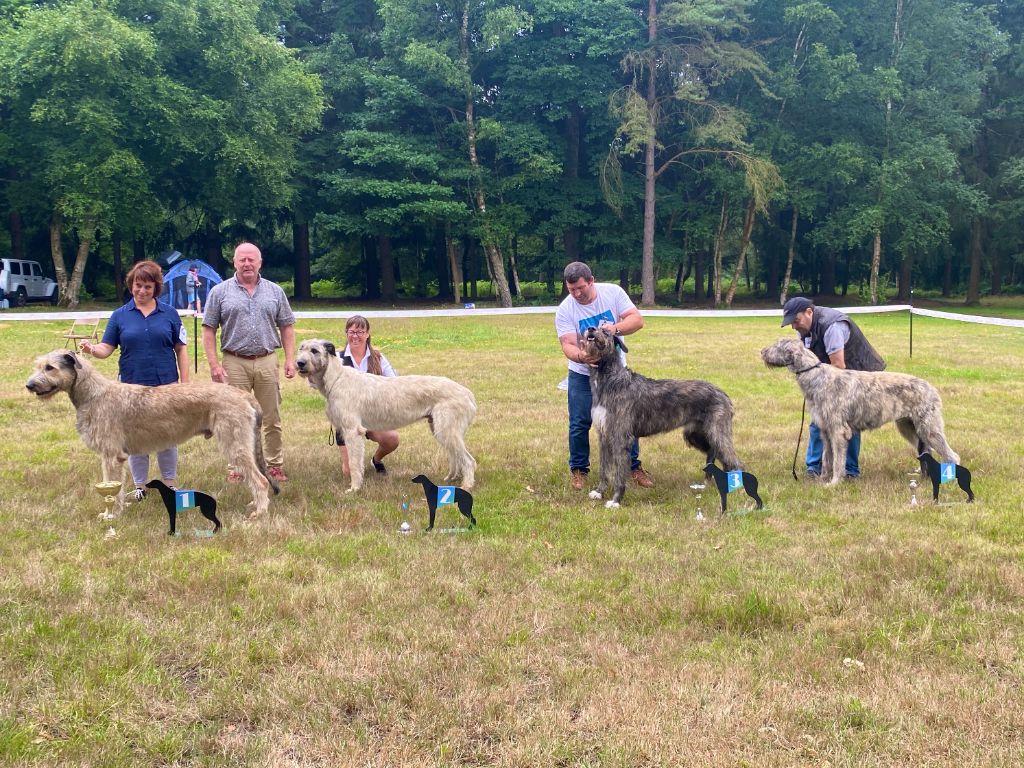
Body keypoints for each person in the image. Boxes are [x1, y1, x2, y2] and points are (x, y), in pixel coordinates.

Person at [81, 260, 188, 500]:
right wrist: (91, 349)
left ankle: (169, 484)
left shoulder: (170, 314)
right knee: (134, 438)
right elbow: (107, 349)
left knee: (167, 436)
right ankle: (141, 487)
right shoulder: (119, 316)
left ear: (156, 288)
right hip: (131, 388)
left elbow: (181, 349)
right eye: (138, 286)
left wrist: (186, 384)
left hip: (166, 386)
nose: (142, 291)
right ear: (131, 286)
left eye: (148, 287)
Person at [202, 242, 296, 483]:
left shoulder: (275, 291)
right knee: (235, 419)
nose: (247, 264)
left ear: (260, 262)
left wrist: (289, 358)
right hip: (234, 362)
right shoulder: (220, 292)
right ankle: (238, 466)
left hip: (266, 360)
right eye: (242, 259)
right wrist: (214, 364)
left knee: (271, 417)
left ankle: (275, 465)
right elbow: (209, 330)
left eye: (251, 259)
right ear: (234, 262)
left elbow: (286, 325)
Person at [555, 261, 653, 491]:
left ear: (591, 280)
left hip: (615, 372)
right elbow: (567, 344)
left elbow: (637, 320)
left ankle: (633, 467)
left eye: (581, 288)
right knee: (580, 422)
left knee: (626, 419)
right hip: (582, 373)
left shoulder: (613, 293)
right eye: (572, 290)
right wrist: (581, 357)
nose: (577, 294)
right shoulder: (565, 309)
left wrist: (614, 329)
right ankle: (578, 470)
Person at [780, 296, 886, 478]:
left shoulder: (832, 327)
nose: (794, 327)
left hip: (860, 373)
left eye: (795, 321)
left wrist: (816, 383)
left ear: (809, 312)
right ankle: (815, 468)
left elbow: (838, 366)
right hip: (832, 375)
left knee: (849, 421)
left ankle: (850, 471)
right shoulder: (804, 328)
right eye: (791, 323)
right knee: (818, 420)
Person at [334, 315, 400, 477]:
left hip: (373, 416)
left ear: (367, 334)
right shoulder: (336, 358)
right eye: (352, 332)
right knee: (348, 473)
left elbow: (394, 383)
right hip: (347, 420)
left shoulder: (378, 358)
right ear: (346, 333)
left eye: (360, 332)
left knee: (392, 439)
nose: (355, 336)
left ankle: (376, 460)